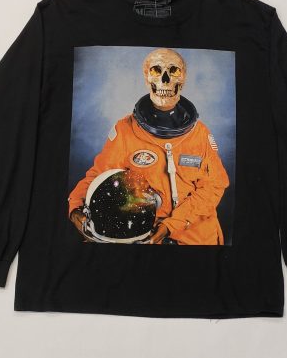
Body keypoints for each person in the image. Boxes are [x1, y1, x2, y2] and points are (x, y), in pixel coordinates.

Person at [68, 48, 230, 245]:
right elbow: (100, 176)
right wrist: (75, 205)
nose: (165, 79)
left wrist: (172, 224)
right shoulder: (126, 130)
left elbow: (214, 186)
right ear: (146, 78)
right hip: (145, 234)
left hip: (196, 236)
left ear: (183, 79)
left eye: (174, 71)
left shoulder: (200, 134)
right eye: (156, 71)